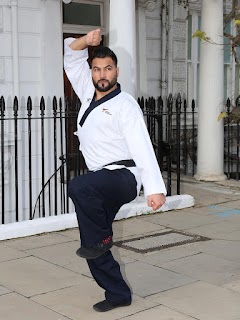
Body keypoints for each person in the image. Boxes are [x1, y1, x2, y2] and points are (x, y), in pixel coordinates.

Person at [64, 29, 166, 312]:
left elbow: (142, 145)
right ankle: (117, 293)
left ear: (116, 71)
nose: (101, 74)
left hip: (123, 176)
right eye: (97, 69)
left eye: (107, 68)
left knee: (77, 187)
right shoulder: (87, 92)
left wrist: (154, 188)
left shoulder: (125, 105)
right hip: (101, 180)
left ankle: (100, 239)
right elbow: (72, 57)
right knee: (92, 245)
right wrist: (86, 41)